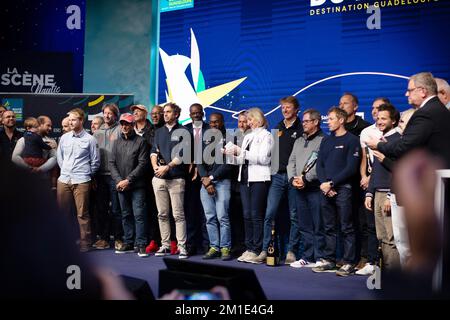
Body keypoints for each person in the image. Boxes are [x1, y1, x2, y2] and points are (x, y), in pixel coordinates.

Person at [254, 96, 303, 264]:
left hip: (293, 177)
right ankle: (265, 250)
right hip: (276, 176)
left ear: (297, 109)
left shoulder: (302, 128)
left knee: (294, 216)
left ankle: (291, 251)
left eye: (288, 107)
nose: (285, 110)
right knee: (269, 214)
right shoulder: (277, 127)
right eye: (283, 107)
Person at [366, 72, 450, 169]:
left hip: (434, 175)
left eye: (410, 90)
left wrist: (378, 145)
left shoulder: (425, 113)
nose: (406, 94)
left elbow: (405, 147)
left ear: (422, 91)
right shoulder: (439, 108)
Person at [312, 107, 360, 276]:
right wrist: (325, 183)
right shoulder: (326, 140)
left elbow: (351, 168)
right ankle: (329, 260)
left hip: (343, 188)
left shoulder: (352, 140)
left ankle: (348, 262)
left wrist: (332, 183)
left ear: (341, 120)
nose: (328, 122)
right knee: (328, 226)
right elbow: (320, 165)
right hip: (326, 189)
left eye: (331, 119)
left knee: (346, 227)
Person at [226, 108, 274, 264]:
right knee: (246, 215)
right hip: (245, 178)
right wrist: (231, 154)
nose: (248, 122)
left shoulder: (266, 136)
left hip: (259, 179)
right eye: (248, 120)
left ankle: (258, 248)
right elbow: (242, 159)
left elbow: (263, 159)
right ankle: (250, 247)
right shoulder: (248, 137)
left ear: (258, 120)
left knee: (256, 215)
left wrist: (241, 152)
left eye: (251, 119)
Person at [364, 103, 401, 273]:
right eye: (378, 118)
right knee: (381, 238)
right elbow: (374, 170)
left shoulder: (398, 141)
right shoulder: (379, 141)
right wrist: (369, 193)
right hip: (377, 194)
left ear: (393, 121)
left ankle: (394, 279)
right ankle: (386, 275)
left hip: (389, 195)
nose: (379, 121)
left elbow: (401, 171)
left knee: (391, 239)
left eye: (383, 118)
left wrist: (391, 195)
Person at [57, 108, 100, 252]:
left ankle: (85, 243)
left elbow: (95, 162)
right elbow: (60, 157)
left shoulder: (90, 139)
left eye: (73, 119)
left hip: (82, 180)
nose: (70, 122)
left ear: (81, 120)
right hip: (64, 180)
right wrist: (66, 171)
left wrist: (86, 174)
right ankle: (62, 242)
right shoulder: (64, 138)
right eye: (69, 119)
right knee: (63, 213)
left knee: (82, 214)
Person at [287, 109, 325, 268]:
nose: (303, 124)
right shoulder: (298, 141)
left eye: (306, 121)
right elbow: (291, 162)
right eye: (303, 121)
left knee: (319, 224)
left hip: (315, 189)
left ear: (316, 122)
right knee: (304, 225)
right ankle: (307, 257)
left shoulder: (324, 140)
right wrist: (293, 179)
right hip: (298, 188)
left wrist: (305, 179)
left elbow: (320, 165)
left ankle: (321, 258)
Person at [355, 97, 390, 272]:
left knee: (388, 230)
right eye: (373, 109)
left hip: (385, 183)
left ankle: (386, 265)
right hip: (369, 183)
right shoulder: (367, 131)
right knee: (369, 225)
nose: (375, 112)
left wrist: (371, 177)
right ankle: (371, 261)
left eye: (379, 109)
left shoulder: (393, 133)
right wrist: (364, 176)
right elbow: (364, 157)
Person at [151, 102, 190, 259]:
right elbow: (154, 151)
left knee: (178, 214)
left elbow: (183, 154)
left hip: (176, 178)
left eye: (168, 112)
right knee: (162, 213)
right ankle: (165, 245)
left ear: (176, 114)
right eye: (164, 112)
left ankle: (182, 246)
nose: (164, 114)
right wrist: (155, 168)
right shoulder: (159, 131)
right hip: (159, 178)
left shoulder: (184, 131)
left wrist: (167, 167)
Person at [110, 113, 150, 257]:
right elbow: (112, 163)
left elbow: (143, 164)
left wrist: (128, 180)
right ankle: (128, 242)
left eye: (127, 124)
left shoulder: (141, 141)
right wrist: (119, 180)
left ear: (133, 125)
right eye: (122, 124)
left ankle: (141, 244)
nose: (124, 126)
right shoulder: (116, 142)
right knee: (125, 214)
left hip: (137, 186)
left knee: (139, 215)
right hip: (121, 185)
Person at [198, 112, 234, 261]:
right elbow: (199, 161)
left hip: (223, 182)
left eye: (216, 122)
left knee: (223, 217)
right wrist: (205, 180)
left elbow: (229, 165)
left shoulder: (231, 139)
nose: (213, 125)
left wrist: (211, 178)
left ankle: (225, 247)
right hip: (206, 184)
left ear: (222, 122)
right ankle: (214, 247)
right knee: (210, 217)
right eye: (211, 122)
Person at [93, 103, 123, 250]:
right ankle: (103, 239)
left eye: (110, 113)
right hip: (100, 175)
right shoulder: (97, 132)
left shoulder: (120, 130)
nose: (106, 115)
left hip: (114, 176)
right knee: (101, 208)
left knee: (117, 210)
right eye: (105, 113)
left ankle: (118, 239)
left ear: (115, 115)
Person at [184, 103, 210, 256]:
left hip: (206, 175)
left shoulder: (210, 129)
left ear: (202, 113)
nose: (196, 115)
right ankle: (191, 244)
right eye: (193, 113)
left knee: (206, 212)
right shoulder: (184, 129)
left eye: (198, 112)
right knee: (191, 211)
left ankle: (207, 244)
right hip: (190, 177)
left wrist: (200, 168)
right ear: (189, 114)